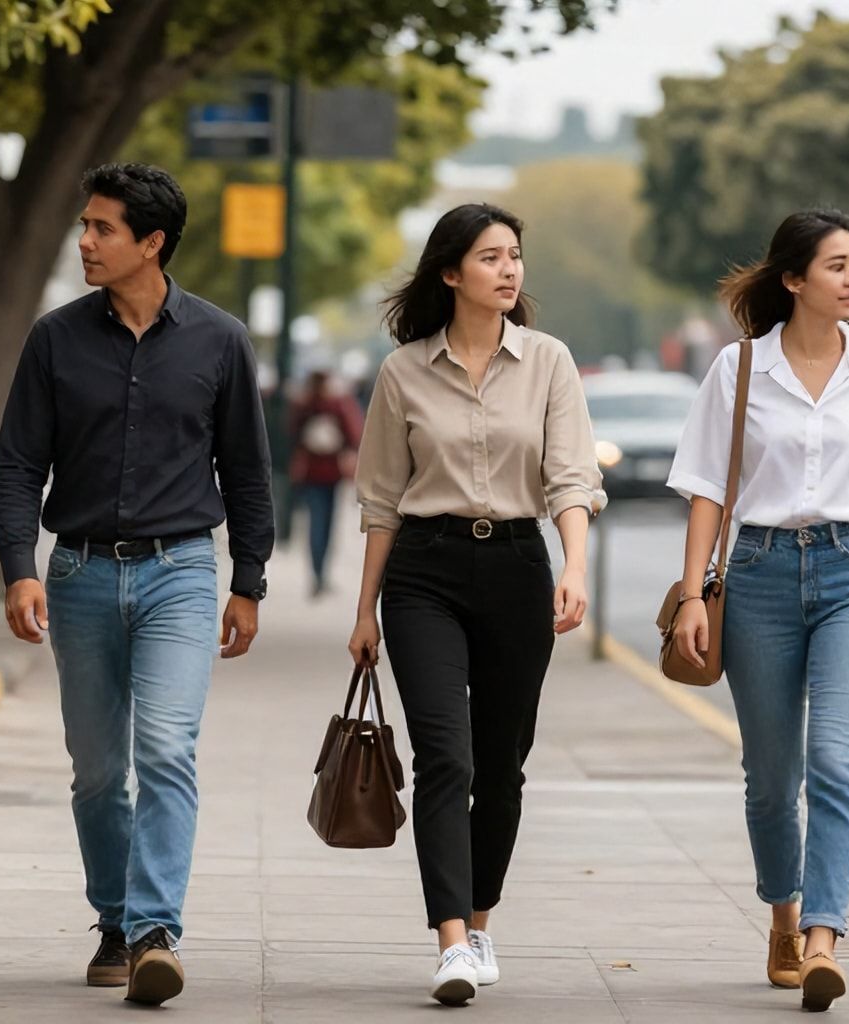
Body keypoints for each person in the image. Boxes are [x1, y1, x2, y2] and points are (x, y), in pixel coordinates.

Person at [0, 163, 274, 1007]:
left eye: (101, 229)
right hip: (77, 571)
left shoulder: (219, 341)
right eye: (84, 226)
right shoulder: (54, 338)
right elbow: (16, 469)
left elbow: (249, 472)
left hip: (181, 572)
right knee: (96, 767)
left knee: (165, 751)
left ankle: (154, 930)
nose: (84, 241)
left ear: (151, 243)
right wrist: (18, 569)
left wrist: (248, 579)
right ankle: (113, 919)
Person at [665, 209, 849, 1013]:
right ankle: (782, 913)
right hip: (760, 575)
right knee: (770, 778)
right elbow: (709, 486)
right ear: (793, 279)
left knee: (838, 762)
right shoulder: (740, 369)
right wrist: (689, 596)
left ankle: (823, 937)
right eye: (837, 266)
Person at [348, 203, 603, 1006]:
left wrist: (574, 567)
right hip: (424, 572)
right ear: (451, 272)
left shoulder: (550, 362)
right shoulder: (403, 372)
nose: (509, 270)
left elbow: (570, 476)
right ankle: (452, 941)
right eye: (491, 257)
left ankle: (481, 919)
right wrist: (364, 612)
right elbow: (382, 500)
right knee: (444, 757)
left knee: (501, 767)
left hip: (519, 568)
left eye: (516, 256)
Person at [289, 366, 362, 597]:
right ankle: (321, 574)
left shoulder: (303, 405)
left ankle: (317, 574)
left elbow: (291, 434)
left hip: (311, 473)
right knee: (326, 524)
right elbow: (354, 432)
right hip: (331, 474)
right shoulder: (337, 405)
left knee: (315, 523)